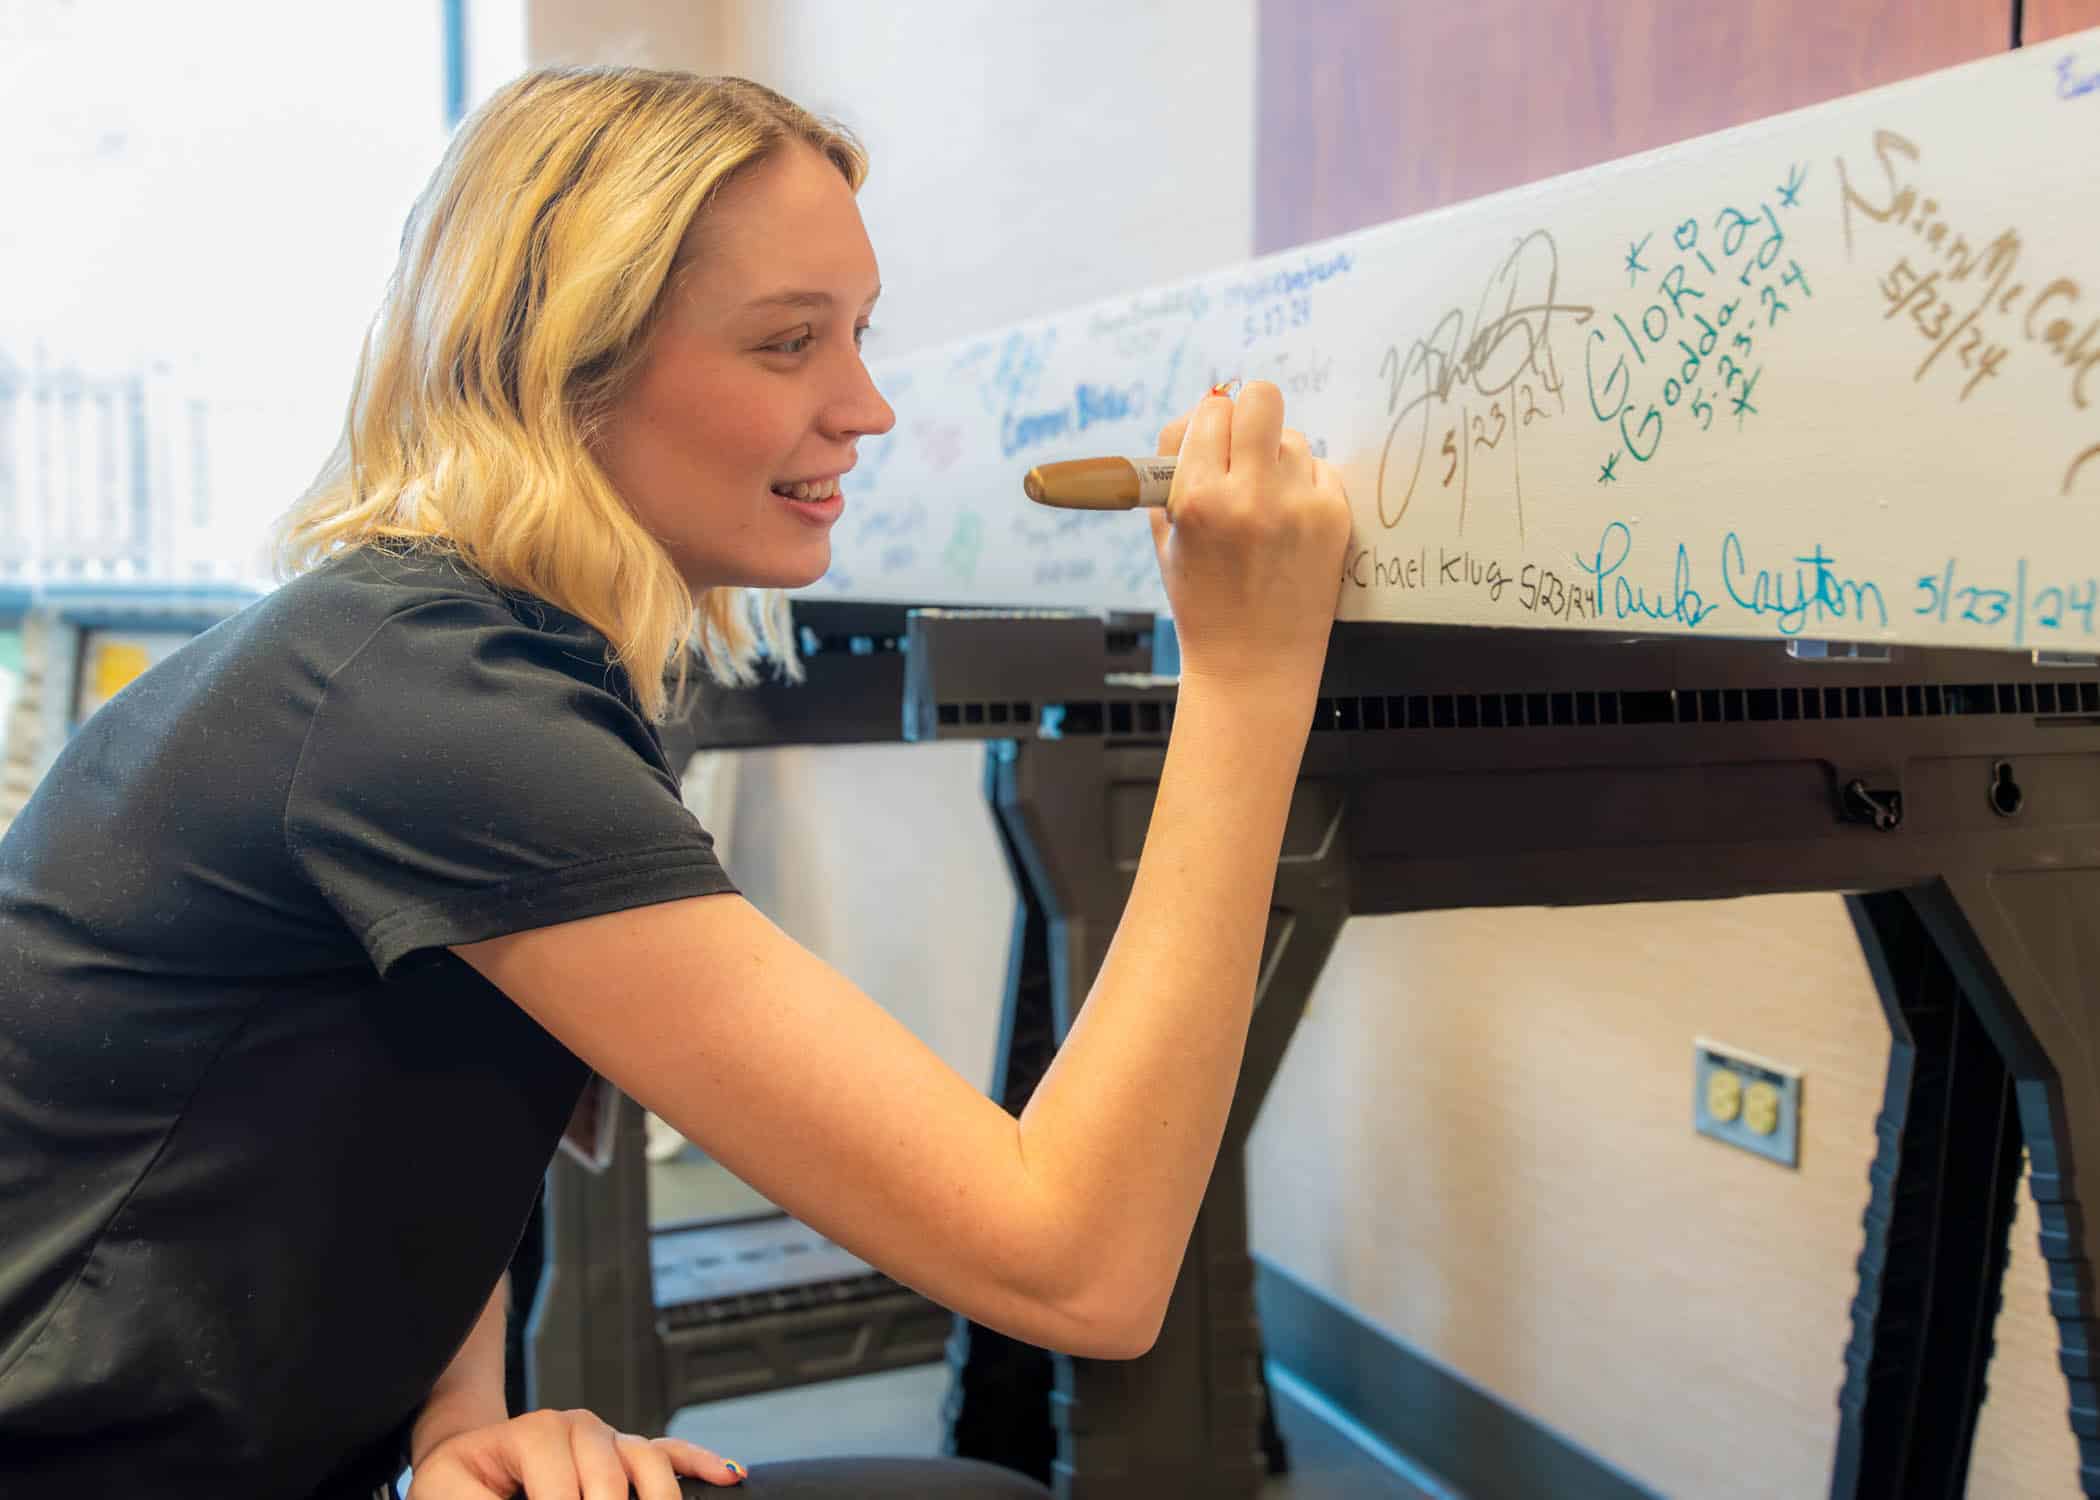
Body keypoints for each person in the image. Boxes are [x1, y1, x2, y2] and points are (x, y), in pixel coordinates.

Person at [0, 64, 1351, 1500]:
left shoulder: (445, 651)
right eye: (788, 345)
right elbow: (1079, 1268)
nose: (867, 407)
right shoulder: (434, 712)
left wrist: (453, 1425)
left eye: (856, 336)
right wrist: (1252, 681)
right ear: (564, 377)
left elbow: (424, 1064)